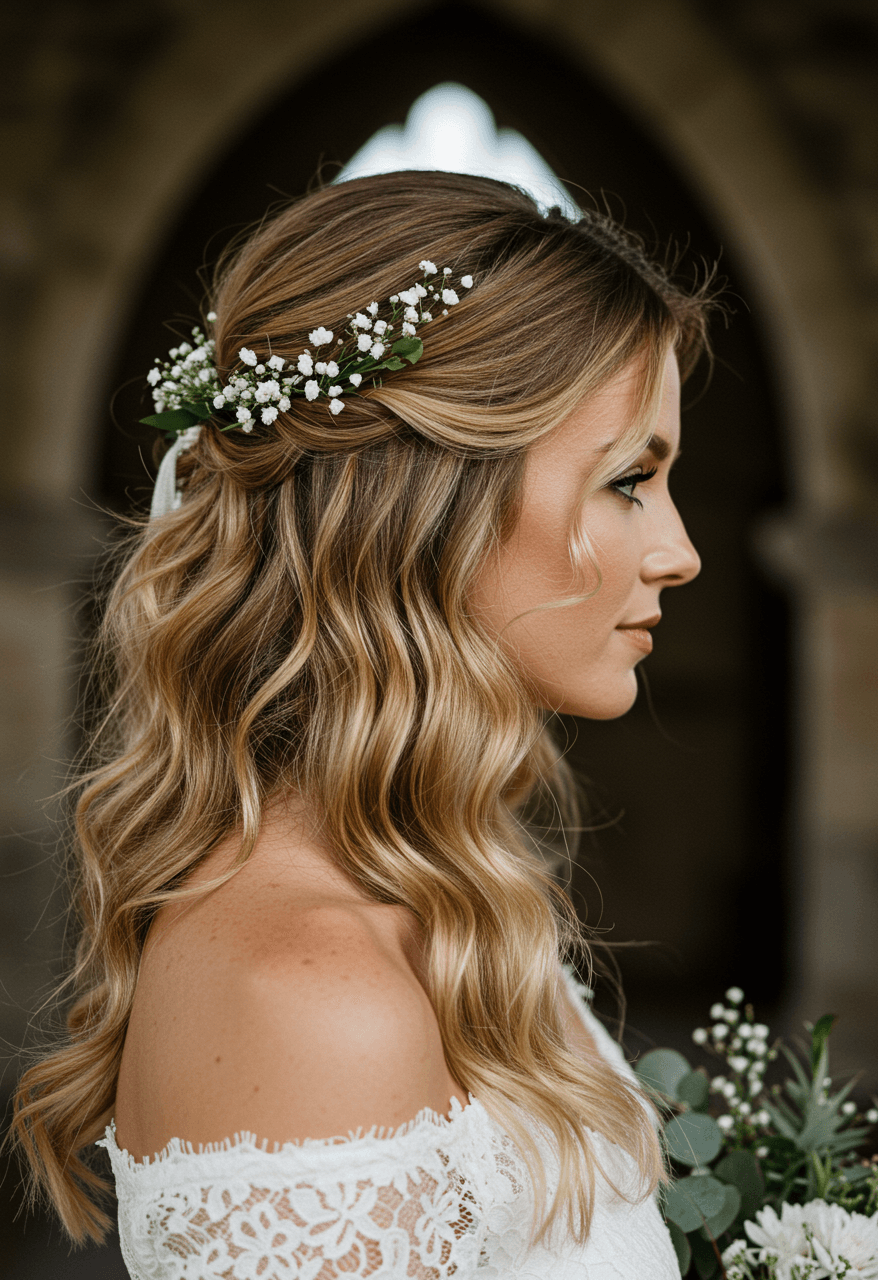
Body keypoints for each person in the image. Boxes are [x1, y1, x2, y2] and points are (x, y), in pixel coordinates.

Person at [11, 171, 713, 1278]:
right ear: (426, 506)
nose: (679, 552)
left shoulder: (431, 896)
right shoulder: (307, 997)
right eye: (629, 478)